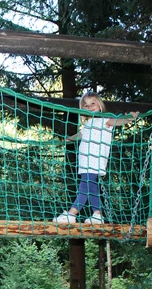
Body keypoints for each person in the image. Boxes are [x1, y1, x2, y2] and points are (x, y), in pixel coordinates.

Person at [53, 91, 139, 225]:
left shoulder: (104, 119)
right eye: (86, 105)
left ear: (100, 105)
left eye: (93, 103)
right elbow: (80, 134)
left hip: (95, 159)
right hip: (85, 160)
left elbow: (117, 121)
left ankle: (72, 214)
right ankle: (97, 215)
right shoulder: (88, 124)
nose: (89, 107)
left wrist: (129, 118)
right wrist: (68, 139)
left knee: (84, 186)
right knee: (91, 187)